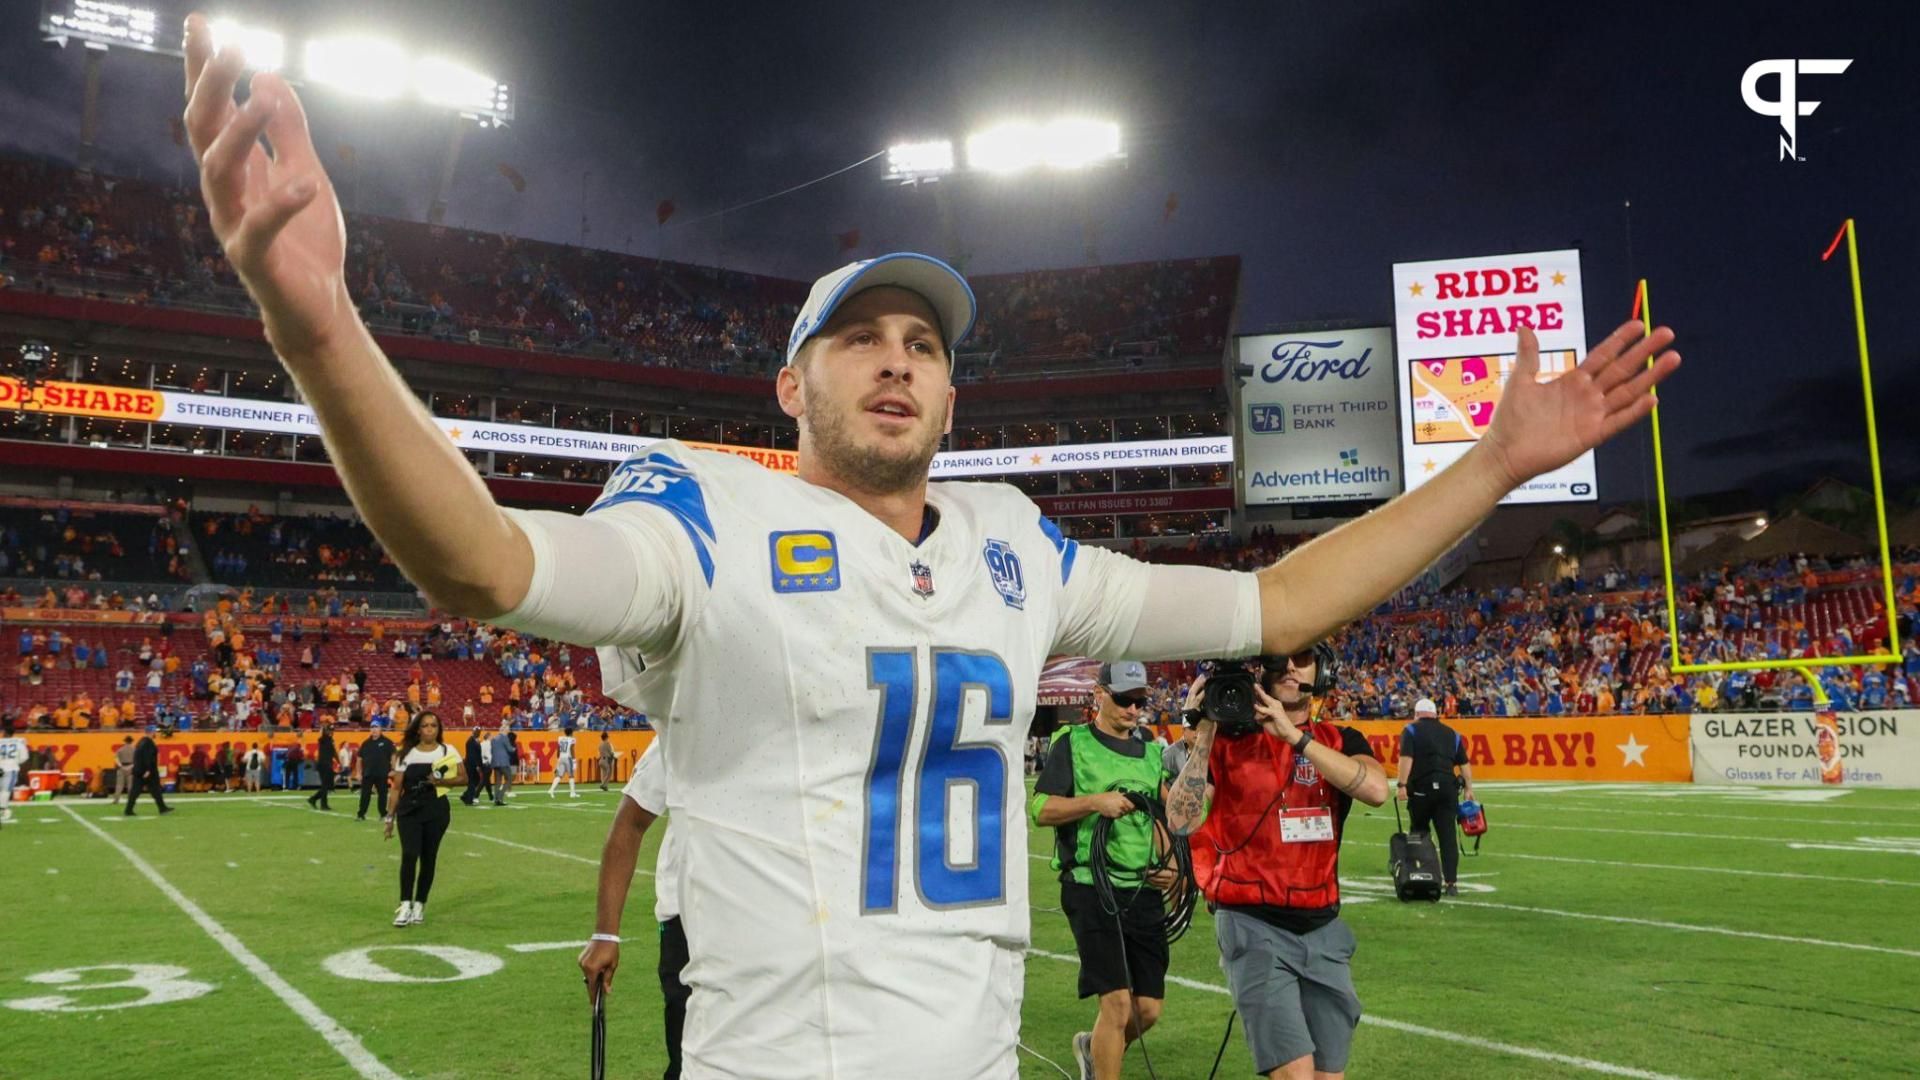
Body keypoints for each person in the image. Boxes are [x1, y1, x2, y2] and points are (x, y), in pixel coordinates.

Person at [177, 20, 1679, 1070]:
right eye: (858, 340)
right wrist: (316, 327)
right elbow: (483, 565)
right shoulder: (702, 513)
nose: (895, 362)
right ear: (793, 384)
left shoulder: (1017, 549)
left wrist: (1489, 464)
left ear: (954, 390)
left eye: (923, 344)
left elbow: (1282, 594)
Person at [1167, 649, 1388, 1080]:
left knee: (1328, 1076)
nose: (1289, 667)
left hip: (1323, 928)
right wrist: (1204, 731)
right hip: (1254, 923)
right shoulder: (1226, 744)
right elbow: (1181, 819)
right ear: (1260, 674)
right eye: (1278, 660)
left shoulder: (1340, 740)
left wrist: (1296, 738)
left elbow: (1378, 790)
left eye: (1302, 658)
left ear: (1320, 672)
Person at [1029, 660, 1174, 1080]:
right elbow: (1041, 809)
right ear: (1100, 694)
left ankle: (1095, 1051)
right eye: (1125, 700)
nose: (1133, 709)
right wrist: (1095, 802)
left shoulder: (1150, 750)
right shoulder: (1071, 742)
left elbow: (1162, 816)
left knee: (1148, 1009)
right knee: (1116, 1004)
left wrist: (1172, 868)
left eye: (1140, 701)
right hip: (1090, 886)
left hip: (1141, 888)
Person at [579, 739, 687, 1079]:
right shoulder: (685, 716)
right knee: (691, 1060)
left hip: (780, 921)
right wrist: (605, 932)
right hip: (691, 922)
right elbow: (631, 821)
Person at [384, 710, 464, 926]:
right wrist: (389, 818)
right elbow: (396, 788)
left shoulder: (447, 750)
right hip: (409, 810)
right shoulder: (405, 754)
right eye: (426, 725)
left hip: (436, 810)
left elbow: (463, 778)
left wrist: (439, 783)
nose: (430, 729)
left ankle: (420, 903)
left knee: (429, 858)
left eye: (434, 726)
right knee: (409, 855)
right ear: (418, 729)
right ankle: (405, 905)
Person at [1397, 697, 1474, 897]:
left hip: (1422, 789)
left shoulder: (1411, 730)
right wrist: (1468, 788)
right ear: (1435, 714)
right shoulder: (1452, 733)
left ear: (1417, 713)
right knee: (1448, 837)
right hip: (1448, 790)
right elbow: (1464, 764)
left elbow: (1406, 758)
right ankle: (1451, 883)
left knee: (1419, 834)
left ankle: (1421, 875)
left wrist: (1402, 784)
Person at [124, 727, 174, 817]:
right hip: (147, 771)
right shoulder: (148, 743)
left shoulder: (141, 742)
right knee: (153, 790)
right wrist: (148, 770)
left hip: (139, 770)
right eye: (154, 732)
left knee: (140, 791)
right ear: (151, 732)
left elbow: (139, 757)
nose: (155, 733)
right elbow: (148, 757)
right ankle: (162, 808)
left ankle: (129, 809)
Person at [357, 725, 396, 821]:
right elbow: (359, 758)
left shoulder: (387, 742)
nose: (374, 730)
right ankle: (361, 814)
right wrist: (358, 772)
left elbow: (393, 756)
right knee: (365, 794)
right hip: (368, 773)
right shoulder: (365, 743)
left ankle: (383, 814)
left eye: (376, 727)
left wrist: (394, 769)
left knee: (382, 794)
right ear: (370, 730)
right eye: (372, 728)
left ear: (380, 729)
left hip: (382, 773)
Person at [307, 720, 337, 810]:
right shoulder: (323, 740)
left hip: (328, 764)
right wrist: (325, 726)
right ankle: (323, 804)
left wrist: (338, 762)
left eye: (332, 730)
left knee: (327, 786)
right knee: (325, 786)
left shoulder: (330, 740)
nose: (331, 732)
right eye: (329, 730)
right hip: (323, 765)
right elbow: (322, 734)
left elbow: (334, 753)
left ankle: (313, 799)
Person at [548, 724, 579, 798]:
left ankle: (551, 789)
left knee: (559, 775)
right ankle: (572, 793)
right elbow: (572, 750)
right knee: (571, 776)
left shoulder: (560, 738)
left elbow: (558, 749)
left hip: (561, 757)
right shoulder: (572, 739)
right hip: (568, 758)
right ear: (571, 733)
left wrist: (558, 758)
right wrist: (574, 760)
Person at [460, 726, 486, 806]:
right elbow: (472, 755)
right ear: (474, 732)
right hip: (471, 765)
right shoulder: (471, 741)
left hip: (473, 764)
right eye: (478, 732)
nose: (479, 733)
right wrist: (477, 766)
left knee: (476, 780)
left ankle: (465, 795)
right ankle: (469, 800)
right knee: (472, 781)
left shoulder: (474, 741)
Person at [488, 724, 514, 806]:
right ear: (504, 730)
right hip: (503, 762)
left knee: (497, 782)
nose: (508, 731)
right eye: (508, 729)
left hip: (495, 762)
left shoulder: (494, 739)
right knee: (509, 779)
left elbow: (492, 751)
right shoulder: (504, 738)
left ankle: (496, 799)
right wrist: (514, 749)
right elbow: (510, 749)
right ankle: (500, 797)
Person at [110, 736, 136, 803]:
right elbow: (137, 760)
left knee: (119, 785)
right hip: (131, 768)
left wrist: (121, 766)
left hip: (121, 768)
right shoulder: (135, 750)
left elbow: (116, 759)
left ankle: (116, 800)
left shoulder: (120, 749)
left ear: (125, 741)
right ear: (132, 741)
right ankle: (131, 800)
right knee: (130, 785)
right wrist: (131, 766)